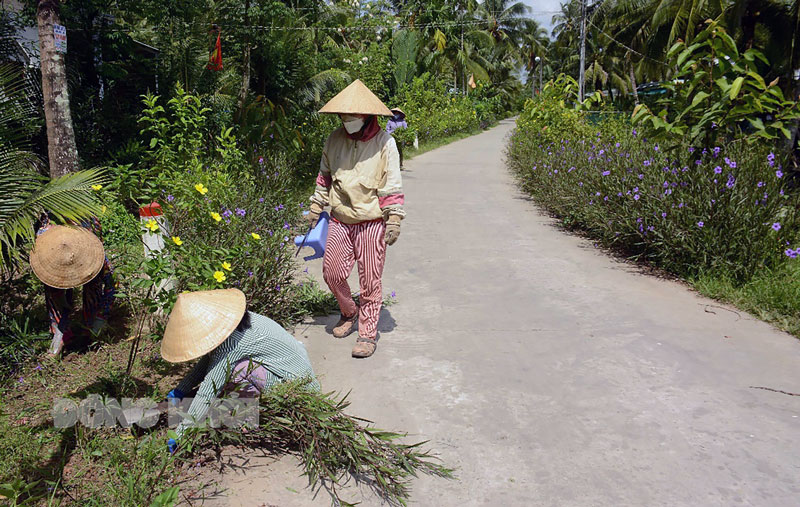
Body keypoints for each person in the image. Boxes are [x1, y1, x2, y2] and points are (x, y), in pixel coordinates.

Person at [307, 79, 405, 358]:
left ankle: (367, 332)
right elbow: (324, 175)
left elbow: (392, 184)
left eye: (352, 117)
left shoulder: (385, 143)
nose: (346, 120)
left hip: (372, 221)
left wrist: (394, 218)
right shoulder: (334, 139)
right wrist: (317, 205)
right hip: (340, 217)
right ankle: (350, 312)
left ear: (366, 116)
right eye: (343, 116)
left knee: (370, 280)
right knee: (332, 272)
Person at [161, 289, 318, 451]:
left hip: (293, 385)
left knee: (237, 370)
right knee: (229, 371)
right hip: (294, 367)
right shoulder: (238, 322)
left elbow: (207, 392)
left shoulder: (231, 344)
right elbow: (208, 360)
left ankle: (250, 417)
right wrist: (181, 390)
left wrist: (181, 434)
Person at [29, 217, 115, 355]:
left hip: (85, 234)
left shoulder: (91, 246)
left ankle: (90, 326)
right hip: (53, 247)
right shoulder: (44, 241)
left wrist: (101, 317)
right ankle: (61, 332)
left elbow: (112, 285)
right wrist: (60, 329)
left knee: (93, 283)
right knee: (53, 289)